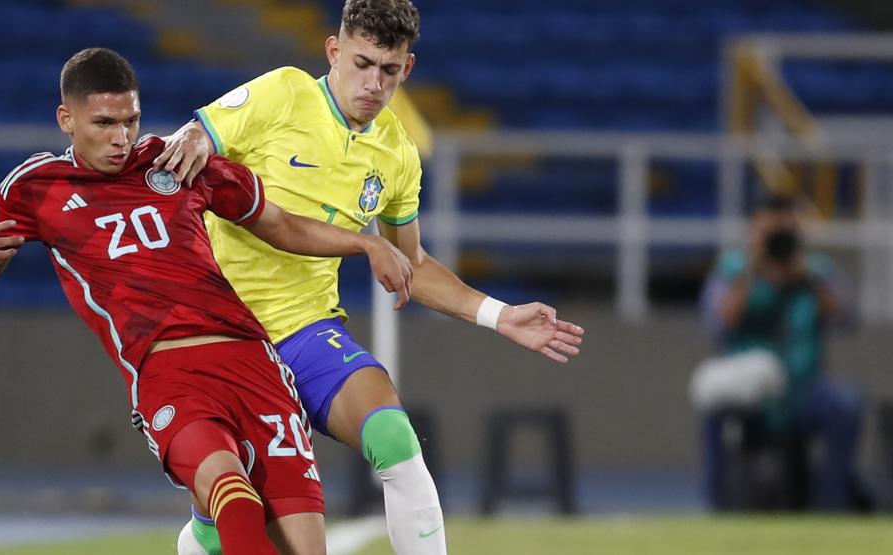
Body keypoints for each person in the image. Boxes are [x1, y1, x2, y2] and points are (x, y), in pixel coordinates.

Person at [0, 47, 417, 554]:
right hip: (169, 369)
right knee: (231, 494)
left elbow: (279, 224)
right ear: (67, 119)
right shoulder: (37, 186)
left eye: (131, 120)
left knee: (303, 548)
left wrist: (364, 241)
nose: (121, 137)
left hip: (255, 361)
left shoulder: (177, 163)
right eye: (104, 122)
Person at [155, 1, 586, 552]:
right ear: (334, 52)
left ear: (407, 69)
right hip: (225, 335)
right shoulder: (284, 94)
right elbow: (196, 141)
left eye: (388, 70)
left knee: (395, 439)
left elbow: (414, 264)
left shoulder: (398, 156)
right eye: (362, 64)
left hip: (306, 330)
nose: (373, 83)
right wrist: (192, 140)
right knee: (231, 516)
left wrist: (500, 316)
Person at [699, 194, 865, 511]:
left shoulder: (815, 269)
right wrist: (752, 269)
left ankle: (830, 504)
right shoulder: (731, 269)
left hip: (805, 388)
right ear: (753, 231)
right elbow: (717, 325)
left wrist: (808, 277)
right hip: (751, 390)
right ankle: (717, 504)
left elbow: (847, 319)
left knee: (847, 403)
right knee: (714, 403)